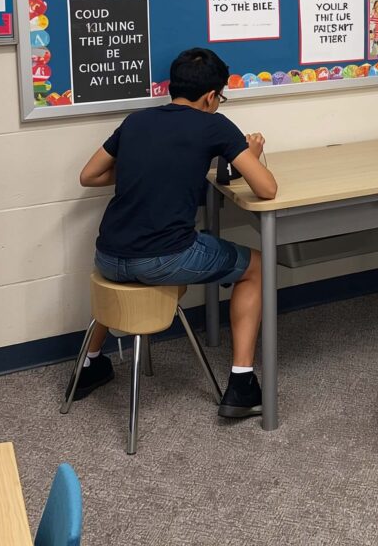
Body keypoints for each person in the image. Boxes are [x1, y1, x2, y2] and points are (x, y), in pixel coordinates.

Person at [71, 48, 277, 418]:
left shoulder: (136, 121)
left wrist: (140, 166)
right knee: (257, 265)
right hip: (162, 261)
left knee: (131, 260)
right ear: (211, 96)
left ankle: (90, 363)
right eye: (220, 97)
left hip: (108, 258)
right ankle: (242, 384)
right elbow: (267, 189)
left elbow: (89, 176)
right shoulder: (214, 125)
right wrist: (253, 152)